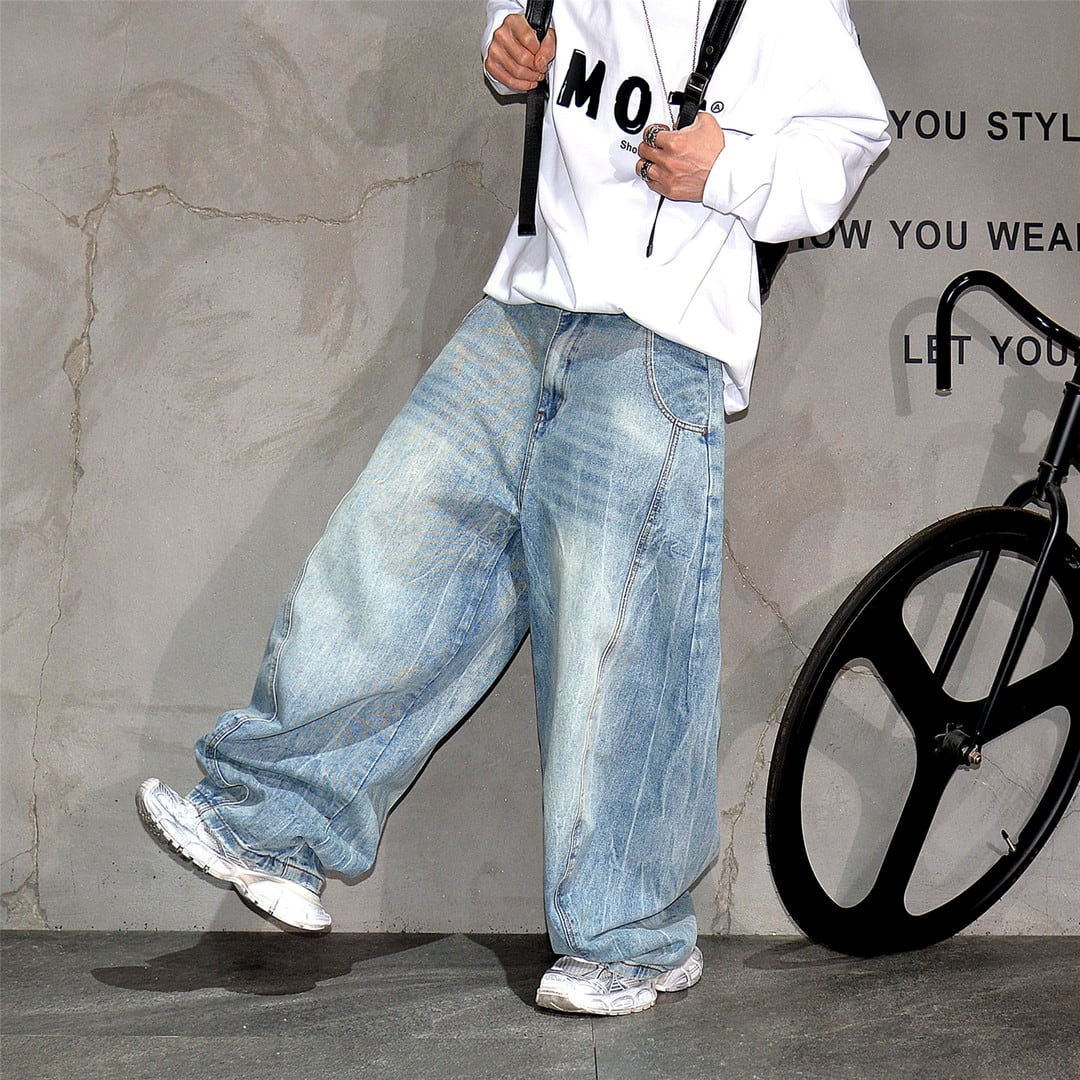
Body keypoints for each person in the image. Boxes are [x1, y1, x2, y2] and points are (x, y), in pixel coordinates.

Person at [137, 0, 889, 1016]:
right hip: (526, 305)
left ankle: (630, 940)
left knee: (618, 643)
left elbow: (851, 137)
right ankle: (272, 825)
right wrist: (508, 46)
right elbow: (520, 23)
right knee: (389, 549)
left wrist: (732, 171)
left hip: (659, 337)